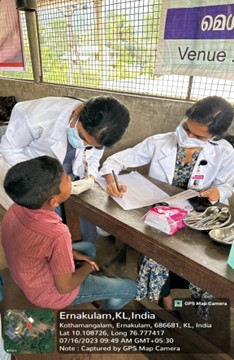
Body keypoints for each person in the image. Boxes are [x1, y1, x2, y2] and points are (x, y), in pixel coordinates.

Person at [99, 96, 234, 315]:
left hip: (197, 220)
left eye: (198, 136)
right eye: (186, 128)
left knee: (201, 265)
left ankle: (189, 299)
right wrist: (111, 180)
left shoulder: (225, 152)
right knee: (155, 256)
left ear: (215, 137)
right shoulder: (159, 142)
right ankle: (165, 299)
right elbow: (114, 162)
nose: (188, 137)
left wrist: (219, 191)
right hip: (160, 218)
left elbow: (227, 186)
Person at [2, 156, 137, 310]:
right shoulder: (57, 233)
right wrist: (88, 267)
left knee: (87, 248)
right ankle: (103, 315)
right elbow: (64, 288)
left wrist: (74, 255)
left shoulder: (17, 208)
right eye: (67, 179)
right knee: (130, 288)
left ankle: (92, 282)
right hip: (51, 294)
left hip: (27, 277)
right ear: (54, 201)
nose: (70, 178)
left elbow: (41, 247)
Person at [0, 95, 130, 242]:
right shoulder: (38, 116)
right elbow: (9, 148)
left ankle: (76, 247)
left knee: (82, 226)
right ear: (78, 111)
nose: (82, 144)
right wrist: (43, 177)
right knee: (46, 227)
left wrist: (91, 177)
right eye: (81, 136)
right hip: (33, 168)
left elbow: (93, 158)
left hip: (66, 172)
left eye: (91, 144)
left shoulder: (101, 133)